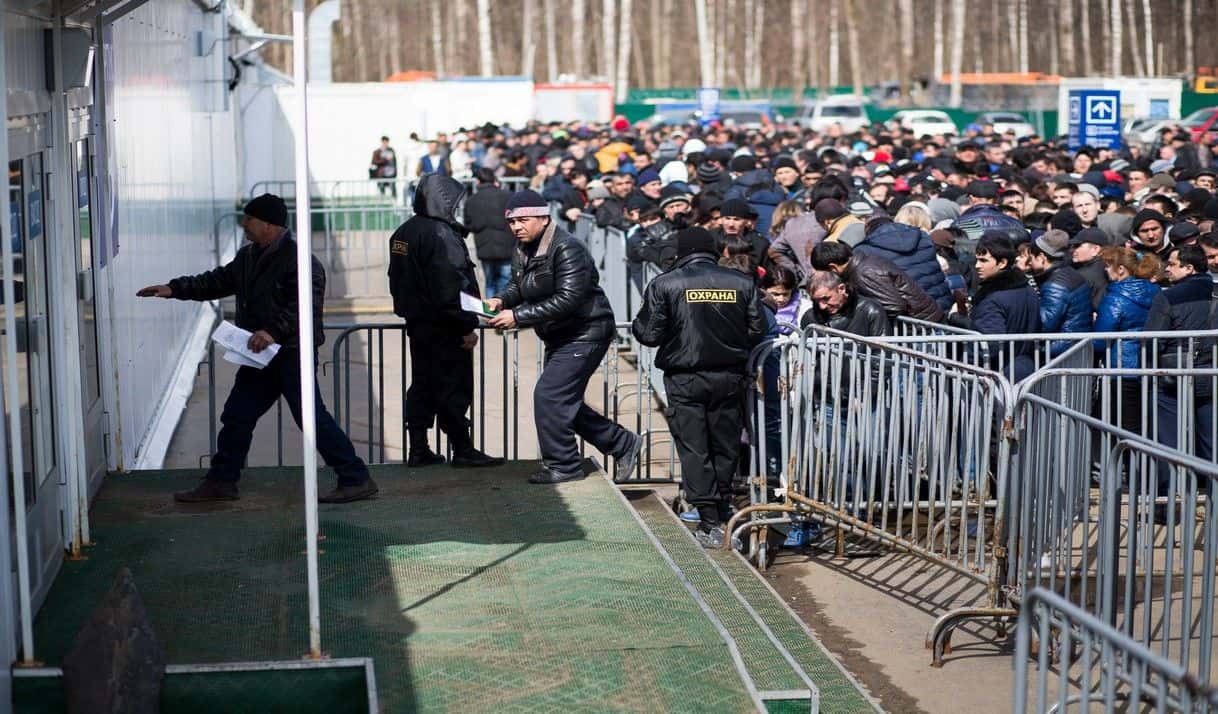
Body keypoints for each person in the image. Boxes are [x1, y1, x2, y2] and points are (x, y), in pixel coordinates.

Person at [138, 194, 377, 503]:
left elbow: (302, 306)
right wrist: (174, 289)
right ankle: (222, 481)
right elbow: (217, 281)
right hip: (259, 355)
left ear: (270, 224)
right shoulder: (247, 257)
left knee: (311, 418)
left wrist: (272, 331)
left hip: (291, 354)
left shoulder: (300, 261)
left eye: (249, 219)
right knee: (237, 415)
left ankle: (356, 478)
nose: (244, 225)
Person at [486, 190, 642, 484]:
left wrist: (518, 316)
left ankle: (565, 465)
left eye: (523, 220)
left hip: (586, 332)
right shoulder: (523, 248)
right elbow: (519, 286)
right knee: (560, 400)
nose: (517, 226)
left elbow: (568, 298)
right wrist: (501, 300)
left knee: (549, 396)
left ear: (544, 219)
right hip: (559, 335)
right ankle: (621, 443)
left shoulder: (568, 248)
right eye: (512, 222)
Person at [631, 227, 766, 548]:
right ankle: (718, 506)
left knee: (694, 445)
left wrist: (644, 322)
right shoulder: (741, 282)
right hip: (729, 375)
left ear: (681, 251)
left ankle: (709, 517)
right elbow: (757, 328)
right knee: (725, 442)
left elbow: (648, 334)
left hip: (684, 376)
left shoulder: (665, 283)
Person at [387, 174, 504, 469]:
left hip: (419, 323)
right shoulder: (441, 234)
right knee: (453, 386)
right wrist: (465, 325)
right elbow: (450, 284)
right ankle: (462, 448)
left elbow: (398, 280)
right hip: (445, 325)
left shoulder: (404, 232)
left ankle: (418, 448)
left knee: (423, 384)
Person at [1145, 245, 1217, 523]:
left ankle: (1168, 509)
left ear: (1189, 268)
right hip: (1212, 377)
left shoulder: (1168, 297)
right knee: (1212, 444)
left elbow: (1153, 338)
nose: (1167, 269)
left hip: (1173, 379)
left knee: (1169, 444)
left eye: (1173, 264)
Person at [1093, 246, 1161, 436]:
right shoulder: (1156, 291)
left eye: (1108, 266)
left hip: (1121, 366)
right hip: (1150, 364)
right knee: (1144, 425)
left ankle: (1124, 465)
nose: (1106, 270)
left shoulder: (1115, 298)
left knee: (1122, 427)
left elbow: (1099, 340)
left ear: (1120, 269)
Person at [810, 241, 943, 322]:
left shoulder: (863, 273)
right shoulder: (865, 262)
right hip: (925, 323)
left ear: (833, 267)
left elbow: (894, 307)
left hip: (923, 328)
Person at [968, 233, 1040, 382]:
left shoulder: (992, 299)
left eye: (983, 260)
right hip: (1022, 371)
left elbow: (989, 345)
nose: (977, 266)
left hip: (996, 377)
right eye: (977, 260)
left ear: (1002, 263)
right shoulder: (1027, 289)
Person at [853, 217, 955, 315]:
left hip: (911, 313)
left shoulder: (864, 250)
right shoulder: (922, 237)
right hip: (941, 304)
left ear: (868, 231)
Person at [1025, 229, 1094, 355]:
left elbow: (1044, 325)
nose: (1029, 263)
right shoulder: (1071, 273)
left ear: (1041, 257)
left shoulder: (1055, 286)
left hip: (1060, 352)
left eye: (1031, 258)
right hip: (1074, 347)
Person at [464, 168, 515, 298]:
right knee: (506, 280)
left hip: (484, 246)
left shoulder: (471, 200)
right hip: (507, 246)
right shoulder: (508, 196)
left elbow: (468, 225)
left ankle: (490, 313)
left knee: (489, 282)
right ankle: (503, 309)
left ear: (478, 181)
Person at [800, 270, 890, 336]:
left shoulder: (871, 310)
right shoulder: (810, 317)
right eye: (816, 300)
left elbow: (882, 353)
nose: (822, 306)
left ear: (842, 289)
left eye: (826, 298)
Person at [1069, 227, 1111, 311]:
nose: (1072, 250)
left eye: (1077, 246)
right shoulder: (1110, 267)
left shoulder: (1082, 276)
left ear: (1095, 249)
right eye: (1072, 246)